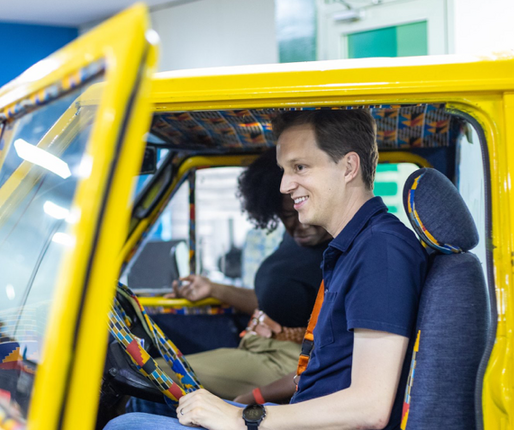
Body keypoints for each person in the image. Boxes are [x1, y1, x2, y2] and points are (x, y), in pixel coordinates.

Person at [105, 109, 427, 430]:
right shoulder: (351, 247)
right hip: (302, 409)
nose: (285, 185)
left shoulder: (380, 249)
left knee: (125, 426)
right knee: (159, 403)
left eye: (299, 167)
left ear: (348, 167)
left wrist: (243, 417)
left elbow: (369, 408)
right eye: (284, 170)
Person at [136, 146, 331, 409]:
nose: (300, 224)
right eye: (288, 215)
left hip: (287, 363)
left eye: (304, 211)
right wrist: (214, 289)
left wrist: (259, 396)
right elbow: (273, 302)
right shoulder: (295, 238)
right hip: (255, 347)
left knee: (148, 372)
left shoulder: (338, 253)